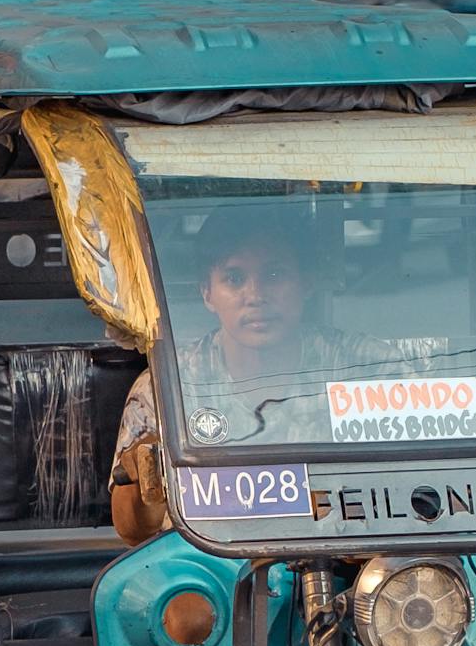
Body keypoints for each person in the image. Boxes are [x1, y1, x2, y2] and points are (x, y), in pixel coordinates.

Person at [108, 210, 413, 544]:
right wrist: (142, 476)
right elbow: (132, 531)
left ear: (306, 282)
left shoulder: (366, 368)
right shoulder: (167, 388)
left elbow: (445, 447)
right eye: (235, 279)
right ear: (207, 293)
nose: (255, 296)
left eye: (274, 273)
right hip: (214, 570)